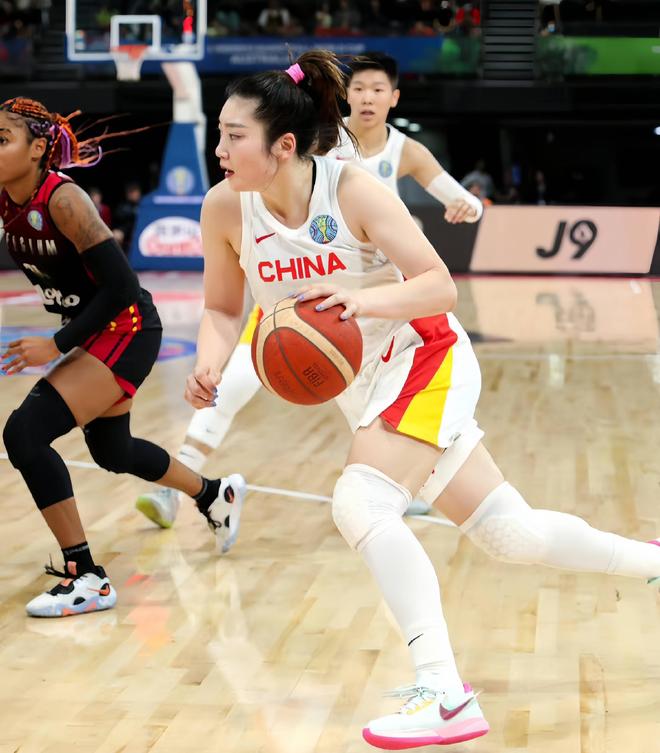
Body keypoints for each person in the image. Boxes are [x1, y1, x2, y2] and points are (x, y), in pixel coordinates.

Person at [184, 51, 660, 749]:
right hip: (366, 386)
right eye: (219, 134)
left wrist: (360, 299)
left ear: (283, 145)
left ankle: (443, 692)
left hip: (424, 355)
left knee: (360, 503)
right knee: (511, 534)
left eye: (234, 136)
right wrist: (211, 359)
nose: (219, 150)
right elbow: (225, 309)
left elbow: (440, 286)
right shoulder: (224, 207)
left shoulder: (351, 191)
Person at [135, 51, 482, 524]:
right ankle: (185, 484)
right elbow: (221, 307)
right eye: (359, 88)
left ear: (393, 98)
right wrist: (206, 365)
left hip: (375, 317)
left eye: (378, 90)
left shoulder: (391, 158)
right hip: (291, 306)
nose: (367, 98)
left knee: (384, 507)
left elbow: (457, 206)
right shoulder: (308, 145)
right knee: (229, 383)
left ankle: (401, 476)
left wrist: (468, 207)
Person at [0, 97, 246, 618]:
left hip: (126, 327)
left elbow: (122, 288)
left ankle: (87, 575)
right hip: (98, 328)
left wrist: (57, 346)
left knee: (24, 433)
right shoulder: (5, 198)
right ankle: (213, 494)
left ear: (38, 149)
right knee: (112, 450)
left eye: (2, 139)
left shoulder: (63, 200)